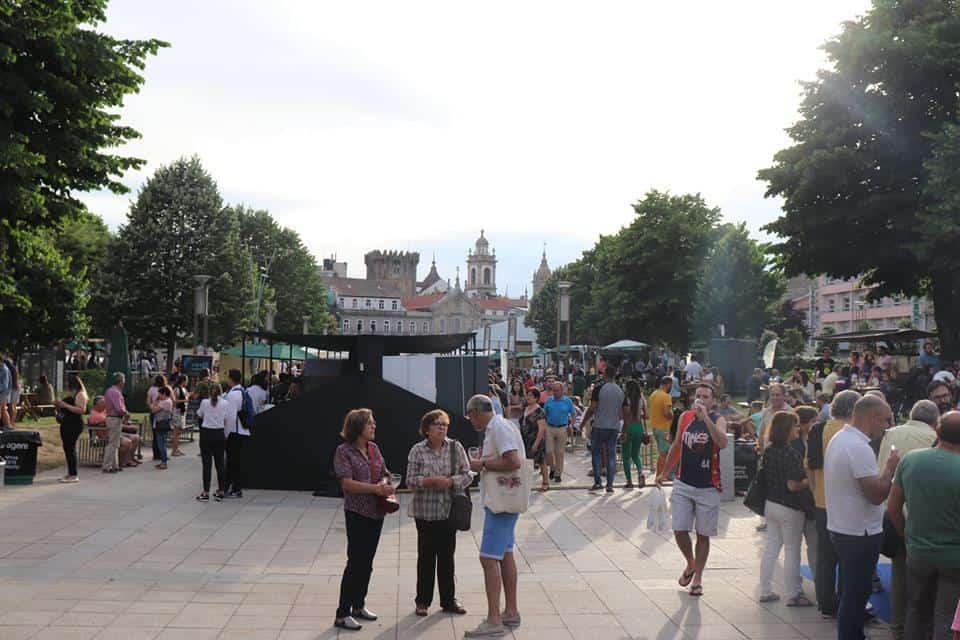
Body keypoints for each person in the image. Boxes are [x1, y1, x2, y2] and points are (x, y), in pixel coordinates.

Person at [824, 395, 899, 640]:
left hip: (844, 528)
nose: (887, 426)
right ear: (873, 417)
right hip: (860, 533)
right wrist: (890, 468)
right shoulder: (858, 447)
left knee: (849, 592)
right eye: (886, 420)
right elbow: (876, 494)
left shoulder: (840, 438)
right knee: (855, 597)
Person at [887, 410, 960, 640]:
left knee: (917, 611)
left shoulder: (911, 460)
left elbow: (893, 508)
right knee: (946, 616)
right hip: (954, 556)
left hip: (918, 552)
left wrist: (907, 536)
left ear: (937, 431)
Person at [656, 383, 728, 597]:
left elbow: (723, 442)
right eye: (698, 396)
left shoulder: (717, 419)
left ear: (712, 401)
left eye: (706, 397)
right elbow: (677, 445)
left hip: (708, 485)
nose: (701, 400)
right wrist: (664, 472)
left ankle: (697, 578)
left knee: (703, 534)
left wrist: (706, 418)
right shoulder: (685, 417)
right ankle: (691, 563)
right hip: (684, 482)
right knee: (679, 528)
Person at [877, 399, 941, 640]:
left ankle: (898, 629)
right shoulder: (935, 438)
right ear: (935, 421)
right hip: (928, 520)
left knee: (900, 576)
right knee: (932, 585)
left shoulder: (891, 434)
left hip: (896, 517)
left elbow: (881, 470)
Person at [464, 394, 525, 638]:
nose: (470, 421)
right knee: (505, 555)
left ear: (476, 412)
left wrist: (483, 465)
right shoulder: (501, 426)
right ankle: (510, 610)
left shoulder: (498, 427)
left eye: (470, 417)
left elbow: (513, 461)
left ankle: (493, 619)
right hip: (505, 500)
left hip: (501, 504)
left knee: (488, 559)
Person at [333, 409, 395, 631]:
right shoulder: (344, 451)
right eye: (370, 424)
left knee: (367, 562)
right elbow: (347, 484)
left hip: (376, 512)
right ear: (358, 427)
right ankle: (342, 613)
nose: (374, 427)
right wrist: (375, 488)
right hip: (357, 512)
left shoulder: (374, 448)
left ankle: (359, 605)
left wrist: (387, 481)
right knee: (355, 562)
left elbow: (385, 472)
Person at [406, 409, 471, 617]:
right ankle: (422, 601)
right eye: (437, 424)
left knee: (447, 557)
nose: (442, 427)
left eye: (444, 424)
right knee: (426, 557)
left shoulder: (455, 447)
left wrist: (451, 481)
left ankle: (448, 600)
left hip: (448, 511)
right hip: (425, 512)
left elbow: (468, 474)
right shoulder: (417, 450)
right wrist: (430, 482)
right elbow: (410, 480)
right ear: (427, 429)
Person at [805, 389, 860, 619]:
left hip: (822, 503)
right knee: (850, 559)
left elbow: (808, 465)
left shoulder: (817, 429)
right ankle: (849, 603)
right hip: (848, 505)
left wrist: (816, 489)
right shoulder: (854, 433)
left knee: (825, 557)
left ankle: (826, 604)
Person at [758, 411, 813, 606]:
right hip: (789, 507)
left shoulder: (769, 450)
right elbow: (793, 485)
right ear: (787, 429)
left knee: (771, 547)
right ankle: (793, 593)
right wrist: (809, 481)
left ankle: (764, 589)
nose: (798, 429)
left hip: (770, 504)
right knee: (792, 550)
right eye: (795, 425)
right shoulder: (791, 453)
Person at [581, 367, 626, 493]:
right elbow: (625, 412)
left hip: (599, 425)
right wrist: (625, 428)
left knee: (596, 454)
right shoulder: (620, 391)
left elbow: (592, 408)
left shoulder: (599, 388)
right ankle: (610, 484)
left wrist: (583, 422)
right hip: (614, 427)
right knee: (611, 454)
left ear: (604, 374)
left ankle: (598, 482)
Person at [195, 384, 229, 502]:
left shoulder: (204, 402)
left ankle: (205, 492)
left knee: (207, 464)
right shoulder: (225, 403)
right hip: (219, 433)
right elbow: (226, 419)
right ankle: (221, 491)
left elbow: (199, 415)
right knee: (220, 464)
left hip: (206, 434)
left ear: (209, 392)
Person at [53, 376, 88, 484]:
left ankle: (73, 474)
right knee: (67, 448)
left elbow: (81, 410)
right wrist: (59, 405)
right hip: (67, 424)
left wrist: (65, 405)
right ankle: (70, 472)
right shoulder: (73, 394)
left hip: (74, 425)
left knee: (70, 448)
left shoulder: (80, 394)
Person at [223, 369, 250, 499]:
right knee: (235, 462)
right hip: (242, 431)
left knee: (232, 462)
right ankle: (233, 488)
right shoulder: (242, 391)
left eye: (227, 376)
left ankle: (234, 489)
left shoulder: (233, 395)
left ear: (231, 378)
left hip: (235, 432)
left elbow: (231, 417)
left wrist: (225, 434)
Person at [543, 381, 575, 483]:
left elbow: (573, 414)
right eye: (554, 390)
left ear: (562, 391)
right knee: (549, 451)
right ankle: (552, 468)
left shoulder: (567, 401)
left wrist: (571, 425)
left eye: (557, 390)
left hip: (562, 428)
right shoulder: (549, 400)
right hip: (550, 427)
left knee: (559, 453)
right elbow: (544, 413)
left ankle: (558, 473)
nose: (555, 392)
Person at [519, 388, 549, 491]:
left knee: (541, 461)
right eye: (527, 395)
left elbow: (542, 429)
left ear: (536, 398)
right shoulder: (525, 408)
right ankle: (525, 482)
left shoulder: (539, 411)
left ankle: (545, 483)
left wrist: (536, 444)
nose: (528, 397)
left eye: (531, 396)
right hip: (525, 439)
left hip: (536, 439)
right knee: (526, 461)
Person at [621, 380, 648, 489]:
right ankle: (641, 473)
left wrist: (624, 432)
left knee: (626, 457)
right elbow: (646, 416)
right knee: (636, 455)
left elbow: (625, 418)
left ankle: (629, 481)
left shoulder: (625, 400)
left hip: (629, 428)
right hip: (639, 428)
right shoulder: (642, 399)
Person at [102, 372, 129, 474]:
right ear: (120, 381)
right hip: (114, 418)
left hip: (112, 418)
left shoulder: (109, 391)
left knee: (115, 443)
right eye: (124, 381)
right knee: (113, 444)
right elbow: (119, 408)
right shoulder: (116, 392)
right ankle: (107, 466)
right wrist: (126, 413)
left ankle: (114, 465)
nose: (124, 383)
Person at [649, 376, 674, 479]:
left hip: (655, 427)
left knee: (665, 452)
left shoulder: (653, 394)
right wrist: (673, 414)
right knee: (663, 454)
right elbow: (666, 413)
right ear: (668, 384)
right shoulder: (666, 396)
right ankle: (660, 476)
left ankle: (665, 474)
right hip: (664, 428)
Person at [148, 384, 174, 470]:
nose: (158, 396)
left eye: (160, 394)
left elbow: (153, 410)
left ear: (164, 394)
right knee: (162, 443)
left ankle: (164, 463)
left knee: (161, 444)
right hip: (163, 424)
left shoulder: (165, 402)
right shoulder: (168, 401)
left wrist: (154, 403)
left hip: (161, 425)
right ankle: (163, 461)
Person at [170, 375, 188, 458]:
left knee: (179, 431)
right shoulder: (176, 389)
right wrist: (184, 400)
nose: (187, 382)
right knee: (176, 432)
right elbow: (174, 401)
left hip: (182, 411)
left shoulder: (184, 389)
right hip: (177, 411)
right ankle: (173, 450)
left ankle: (176, 448)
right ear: (183, 381)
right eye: (186, 380)